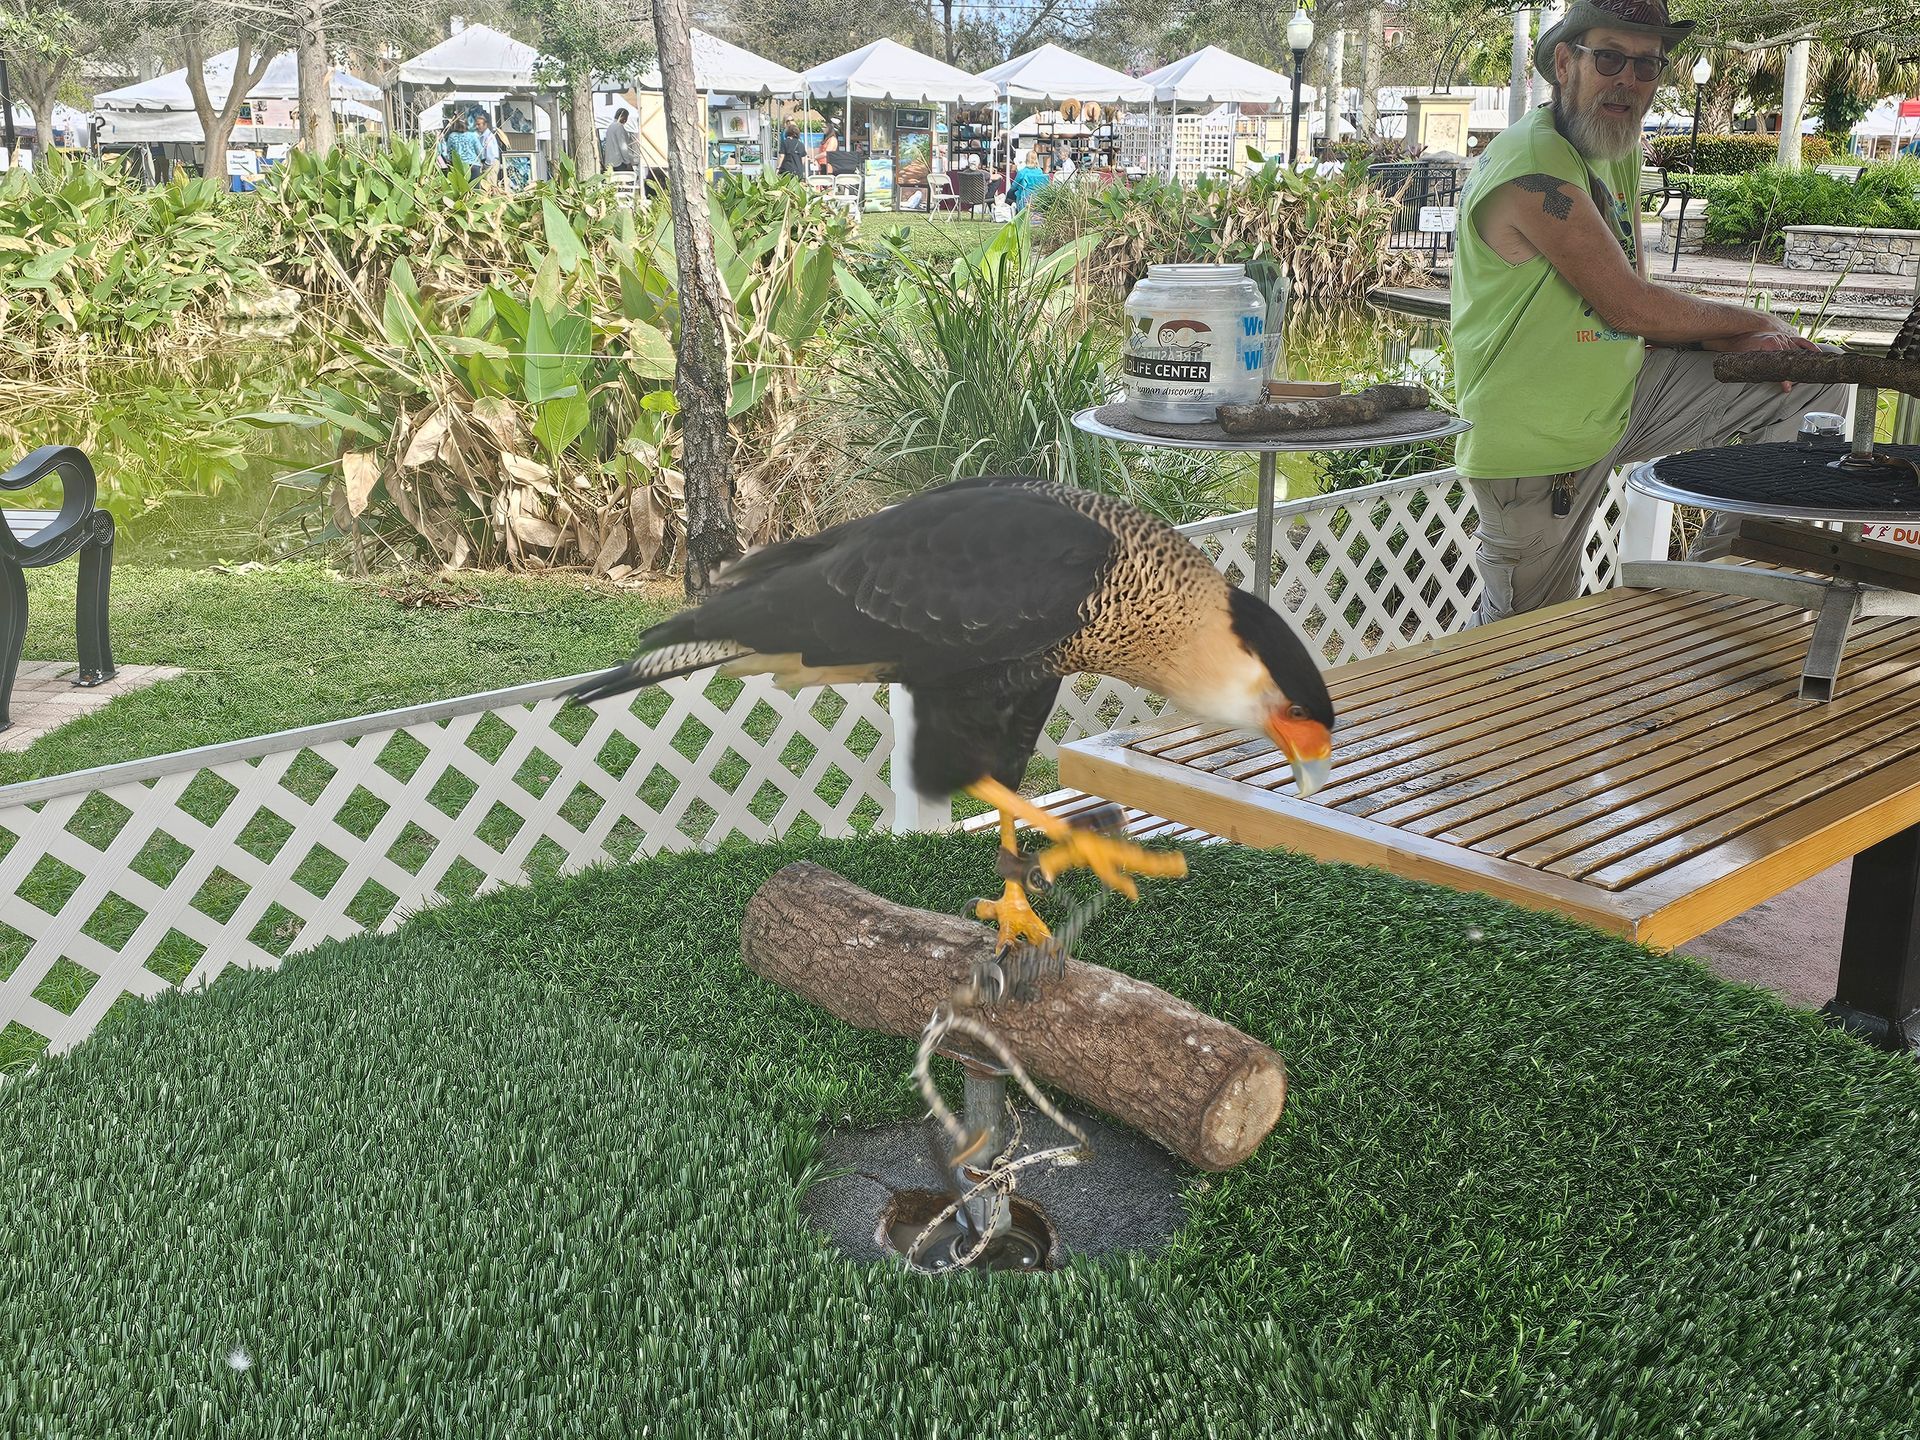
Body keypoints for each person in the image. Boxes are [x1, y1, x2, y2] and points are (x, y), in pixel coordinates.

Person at [1450, 0, 1848, 626]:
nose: (1627, 80)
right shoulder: (1530, 169)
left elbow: (1638, 297)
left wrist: (1727, 346)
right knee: (1523, 649)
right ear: (1565, 62)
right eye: (1609, 57)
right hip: (1533, 440)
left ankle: (1714, 584)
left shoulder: (1615, 150)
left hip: (1622, 398)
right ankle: (1460, 719)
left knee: (1809, 380)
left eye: (1646, 65)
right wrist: (1753, 323)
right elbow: (1628, 304)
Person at [600, 107, 634, 173]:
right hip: (618, 162)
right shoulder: (619, 127)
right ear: (623, 117)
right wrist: (628, 162)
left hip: (609, 161)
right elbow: (622, 146)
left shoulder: (610, 126)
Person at [471, 111, 501, 183]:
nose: (477, 127)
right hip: (488, 163)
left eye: (479, 124)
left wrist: (486, 165)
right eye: (476, 125)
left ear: (485, 125)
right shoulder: (482, 136)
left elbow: (490, 153)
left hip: (490, 164)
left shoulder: (488, 137)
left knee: (491, 185)